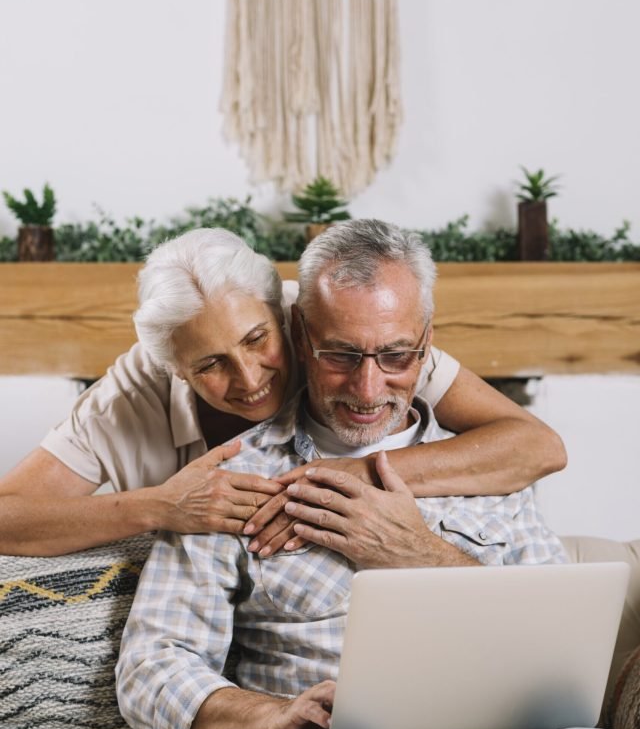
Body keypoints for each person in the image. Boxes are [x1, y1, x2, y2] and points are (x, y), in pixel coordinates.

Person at [115, 220, 637, 729]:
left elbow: (558, 648)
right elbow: (153, 665)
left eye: (395, 355)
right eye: (340, 355)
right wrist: (274, 714)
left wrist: (419, 555)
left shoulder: (493, 466)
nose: (368, 389)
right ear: (299, 335)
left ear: (426, 343)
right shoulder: (235, 480)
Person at [0, 226, 566, 557]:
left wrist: (351, 476)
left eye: (257, 339)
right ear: (174, 366)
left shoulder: (350, 336)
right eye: (212, 364)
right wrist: (160, 507)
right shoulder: (132, 390)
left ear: (286, 317)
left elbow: (537, 447)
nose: (250, 380)